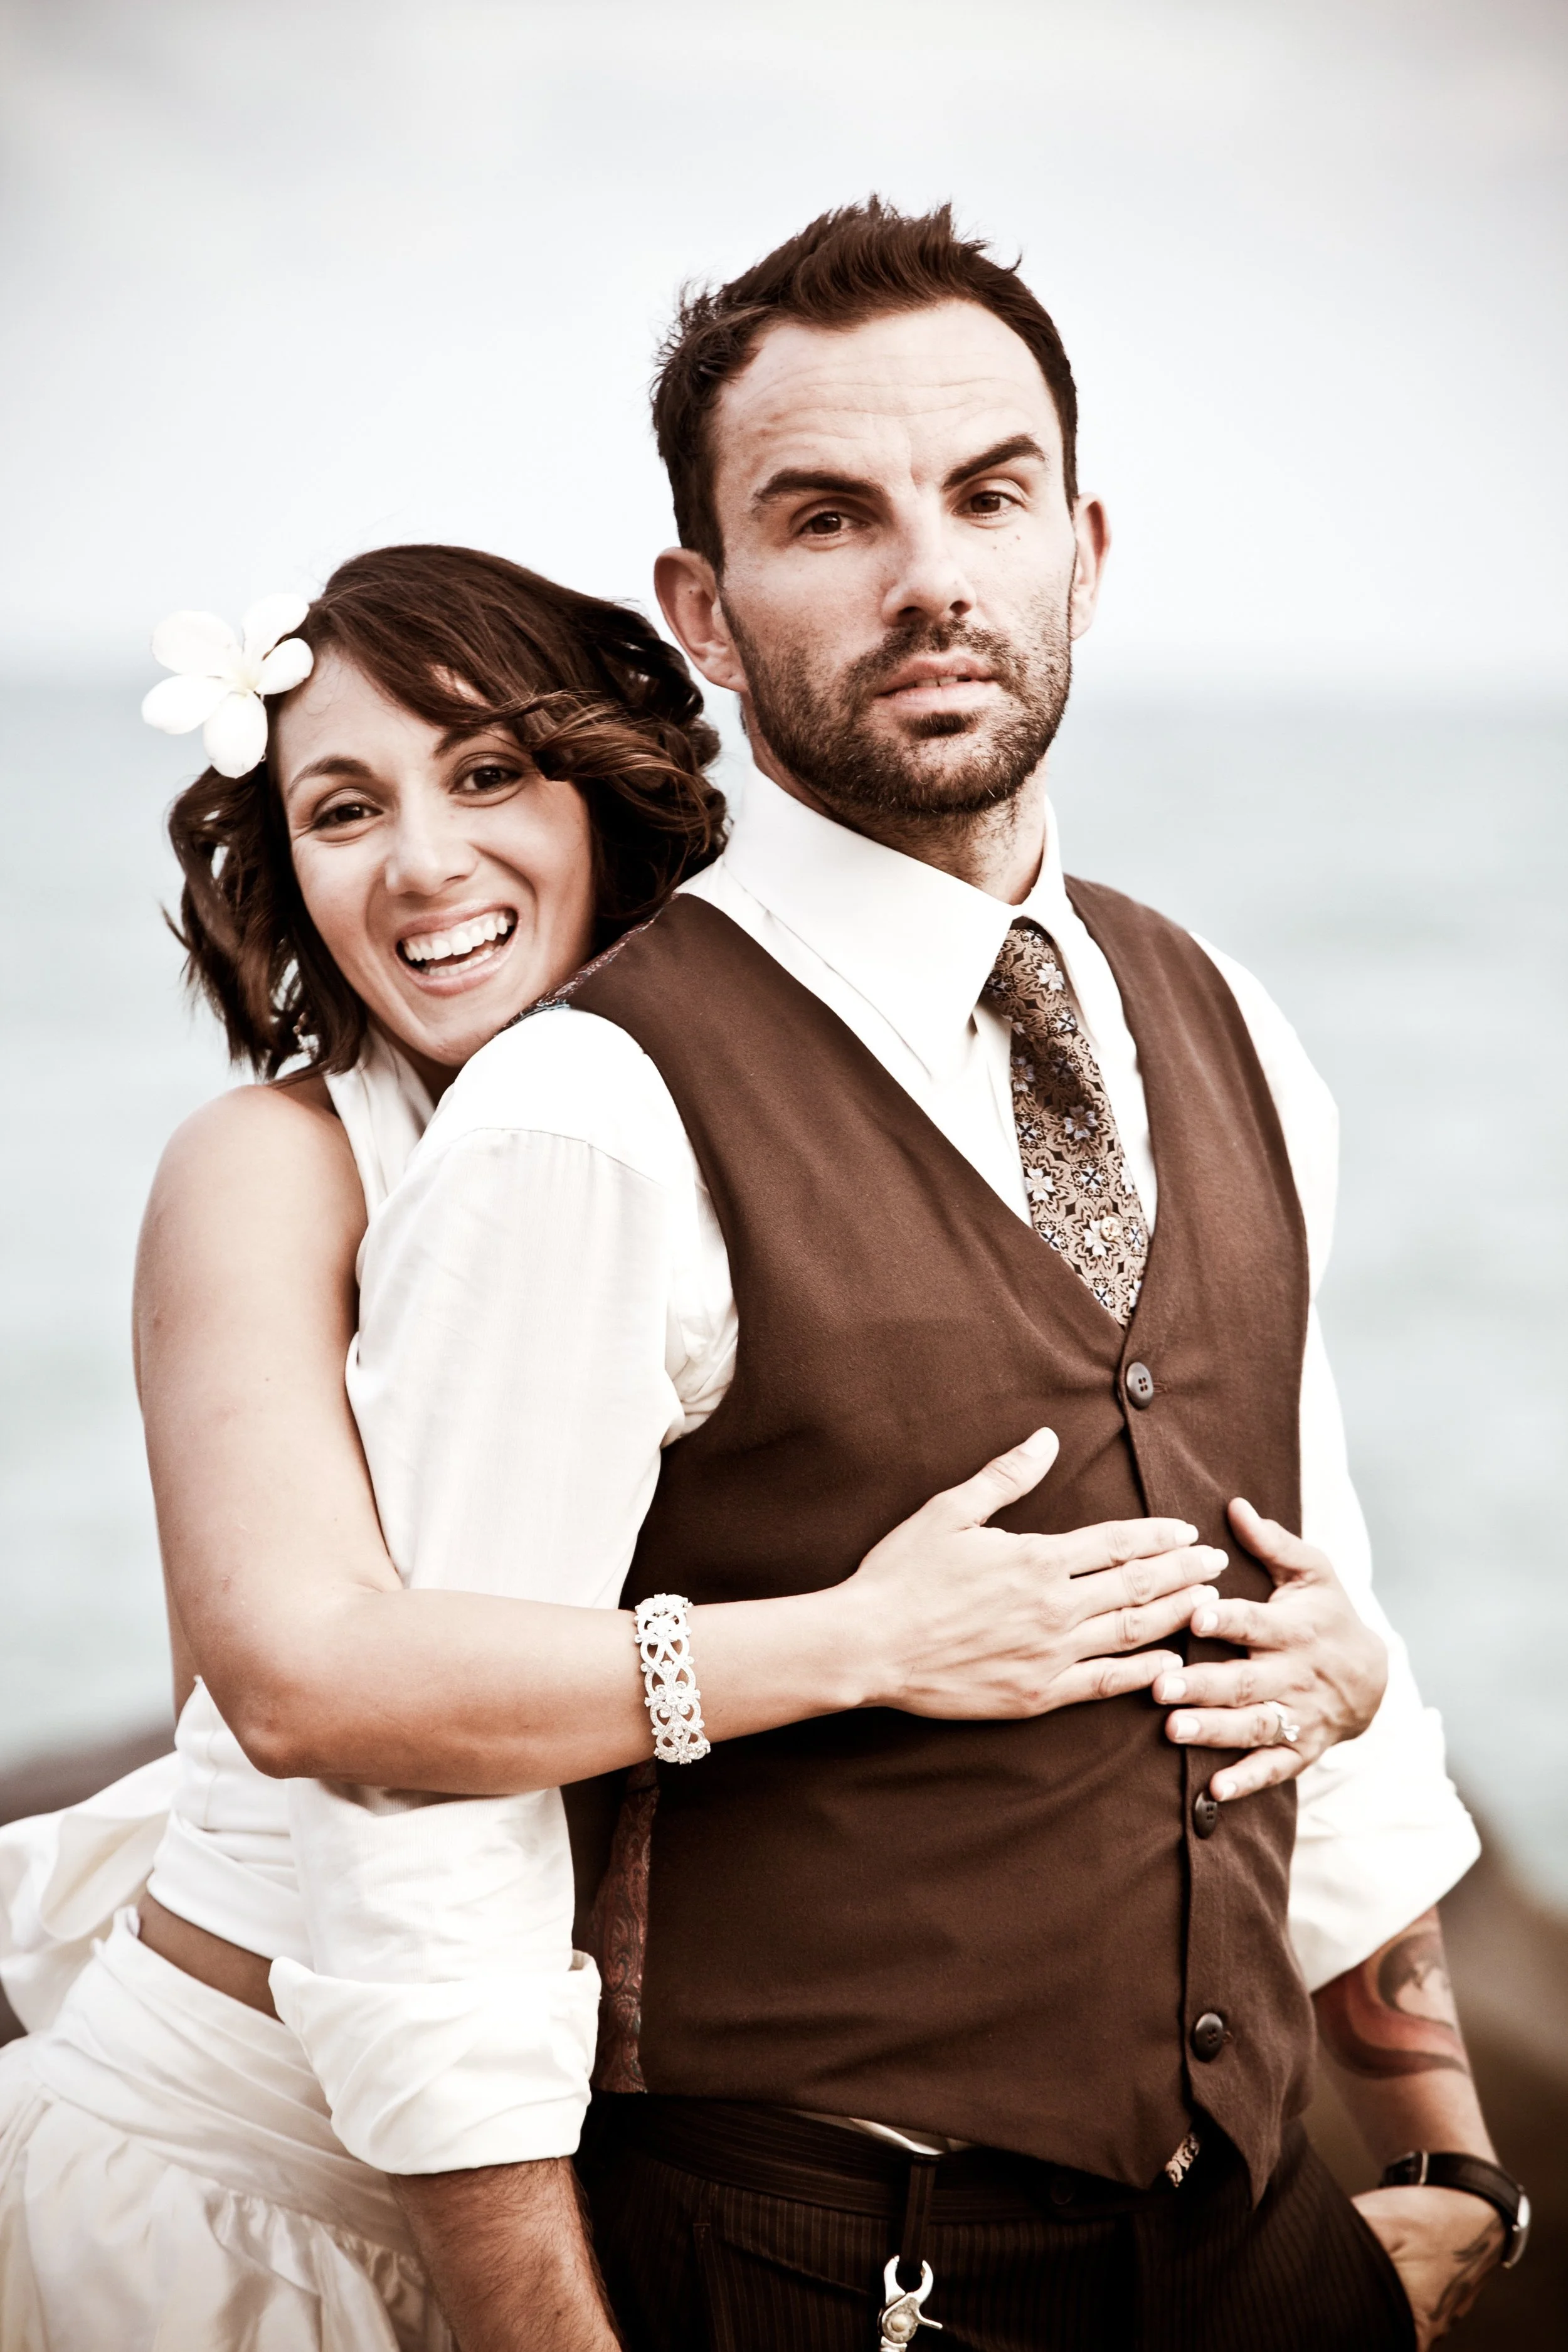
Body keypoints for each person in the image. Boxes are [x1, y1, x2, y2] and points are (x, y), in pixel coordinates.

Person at [268, 208, 1517, 2352]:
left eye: (987, 495)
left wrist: (1443, 2164)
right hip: (826, 2269)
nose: (929, 574)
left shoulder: (1222, 1018)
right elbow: (418, 1828)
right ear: (709, 607)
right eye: (826, 515)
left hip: (1255, 2250)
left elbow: (1312, 1621)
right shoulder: (593, 1112)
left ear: (1083, 550)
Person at [0, 540, 1323, 2350]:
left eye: (484, 775)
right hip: (252, 2185)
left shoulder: (715, 1126)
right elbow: (297, 1679)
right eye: (339, 807)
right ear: (284, 868)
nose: (422, 863)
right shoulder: (273, 1166)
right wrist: (860, 1642)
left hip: (588, 2169)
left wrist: (1306, 1657)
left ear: (606, 788)